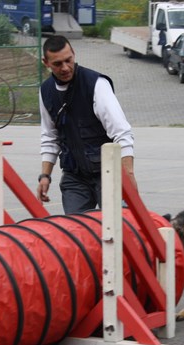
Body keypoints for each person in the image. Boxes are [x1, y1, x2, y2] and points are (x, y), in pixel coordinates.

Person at [37, 35, 137, 214]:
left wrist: (128, 176)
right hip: (74, 177)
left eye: (69, 60)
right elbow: (50, 138)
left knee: (116, 231)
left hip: (107, 173)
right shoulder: (46, 91)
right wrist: (45, 175)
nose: (65, 67)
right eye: (58, 64)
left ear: (74, 54)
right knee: (76, 232)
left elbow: (122, 133)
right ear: (46, 63)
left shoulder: (97, 85)